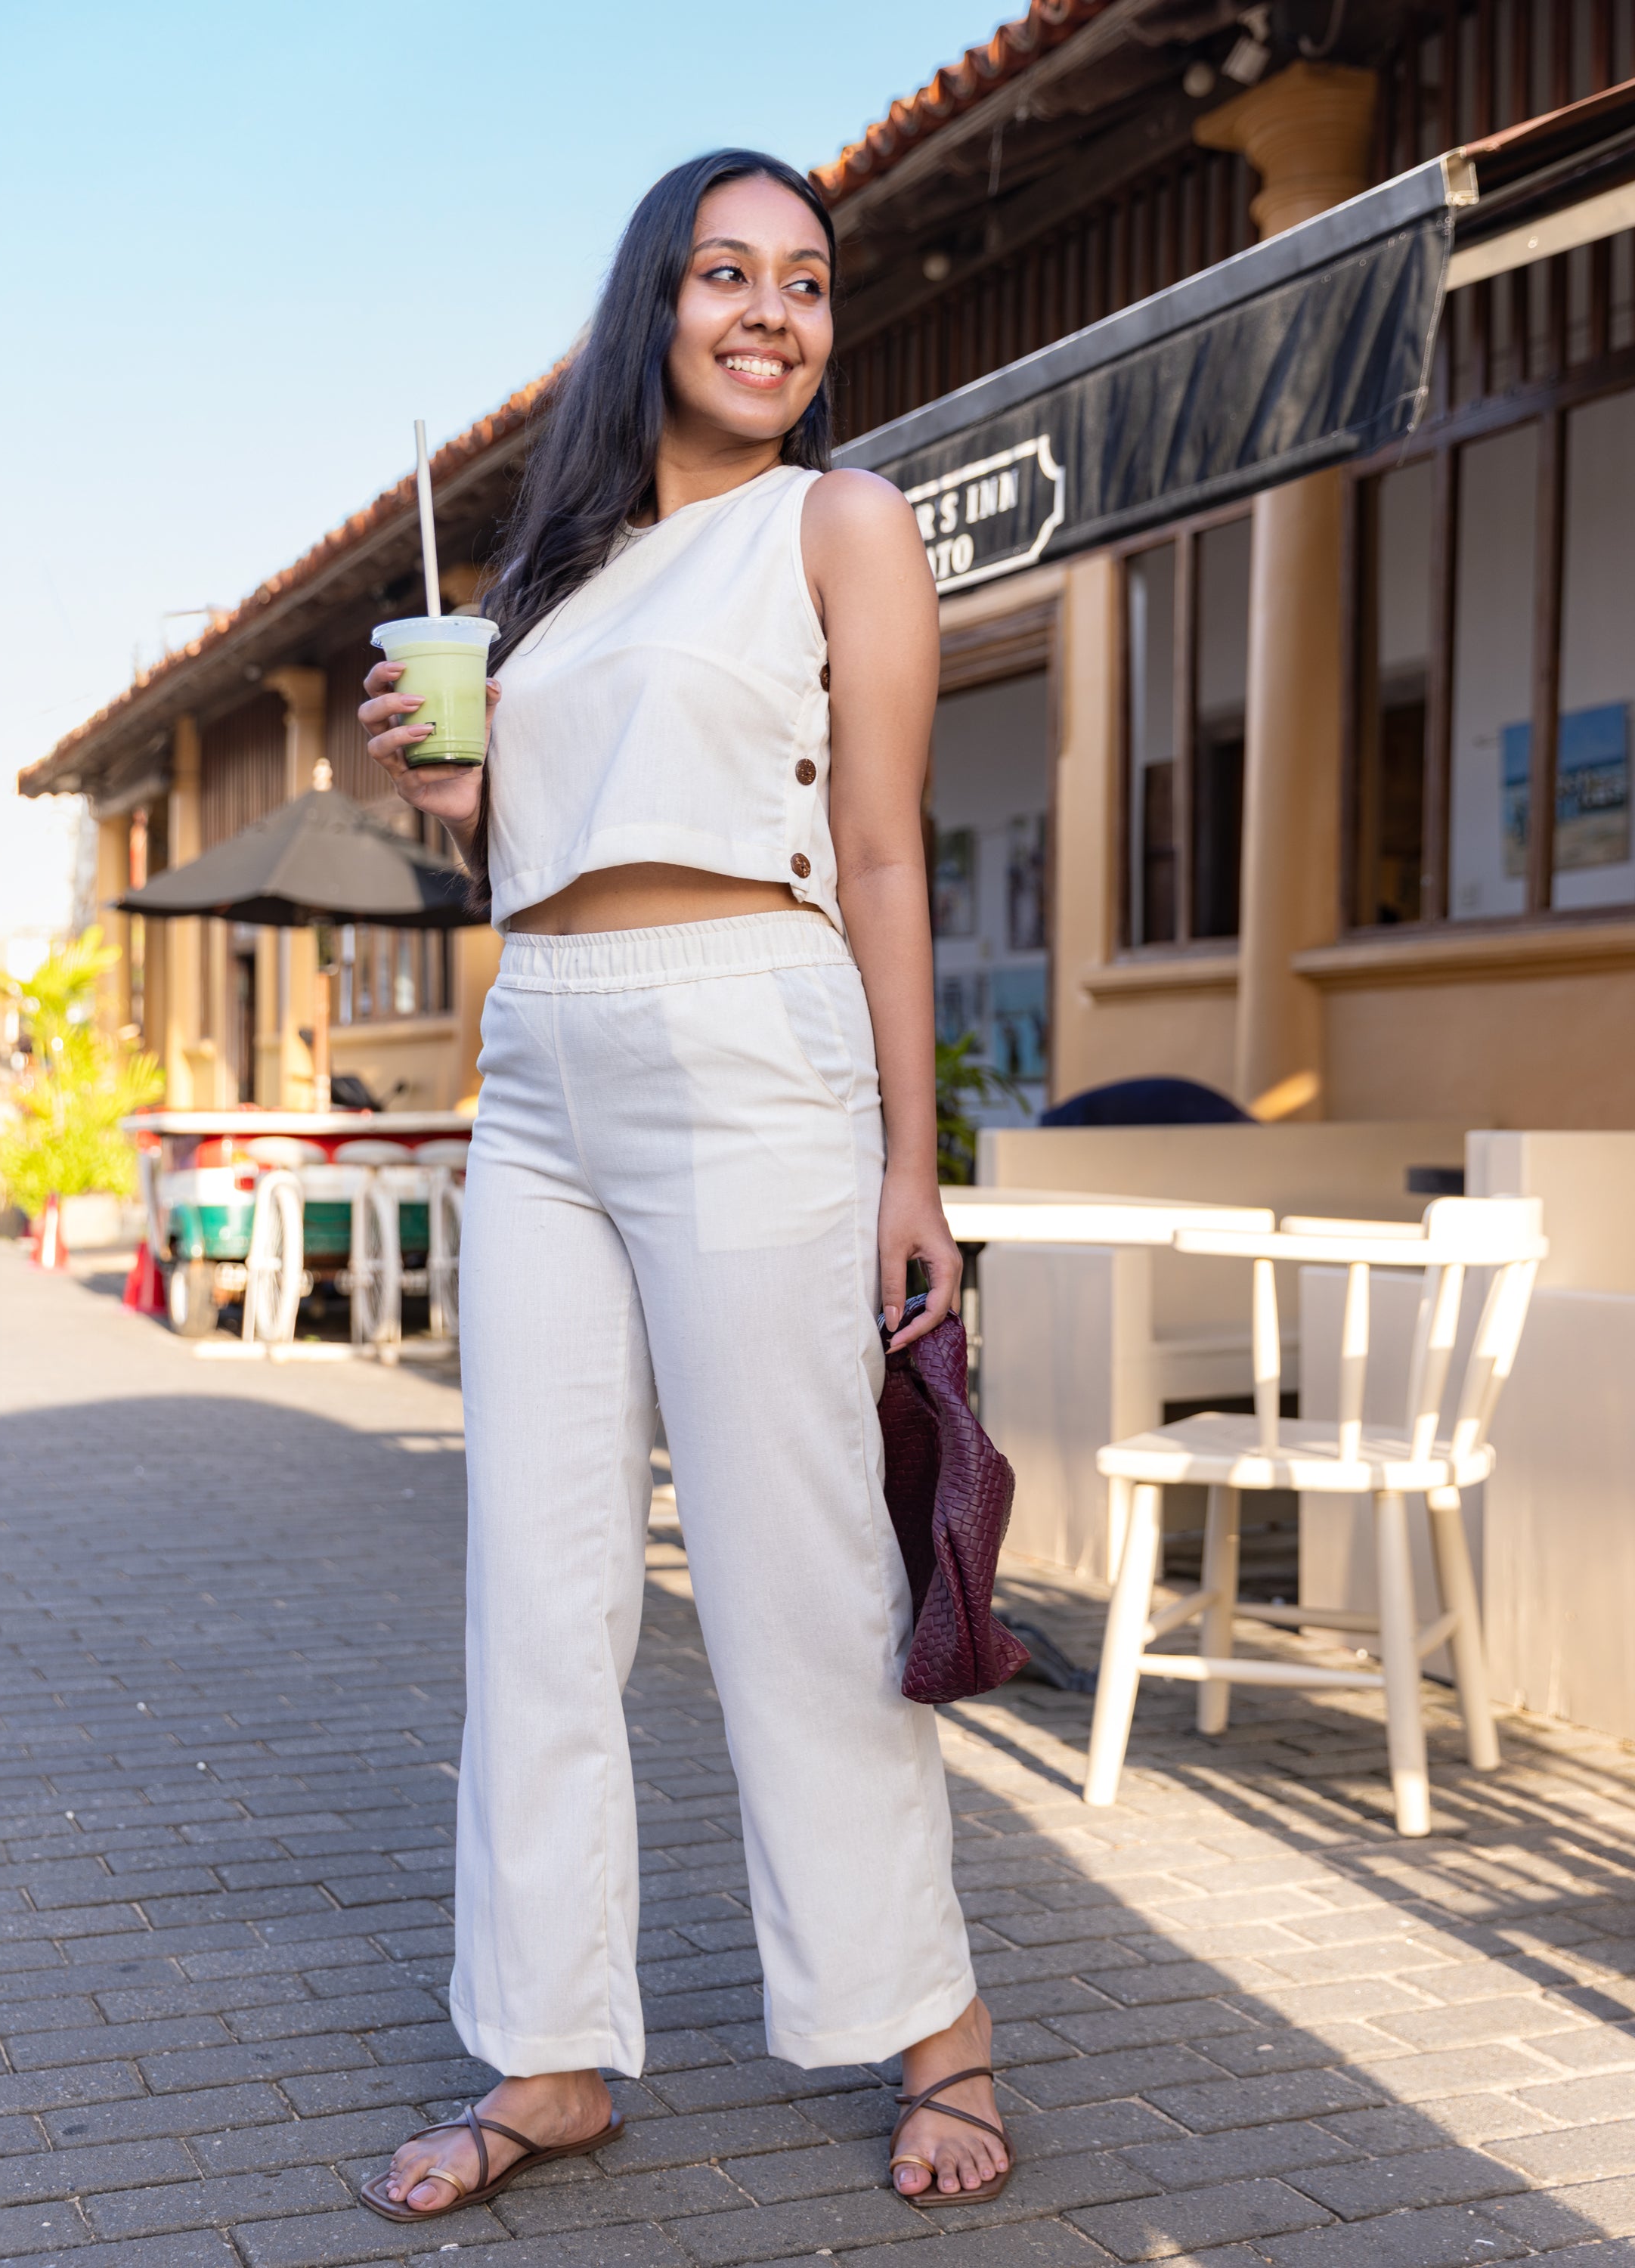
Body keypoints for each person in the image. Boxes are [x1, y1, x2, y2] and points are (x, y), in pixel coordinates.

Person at [356, 148, 1012, 2224]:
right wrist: (454, 796)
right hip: (541, 1053)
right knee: (536, 1591)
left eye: (804, 285)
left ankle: (938, 2029)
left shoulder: (843, 524)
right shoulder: (548, 580)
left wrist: (916, 1159)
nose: (768, 313)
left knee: (793, 1574)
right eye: (724, 273)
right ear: (654, 303)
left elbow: (889, 850)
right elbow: (529, 854)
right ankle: (550, 2058)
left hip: (757, 1036)